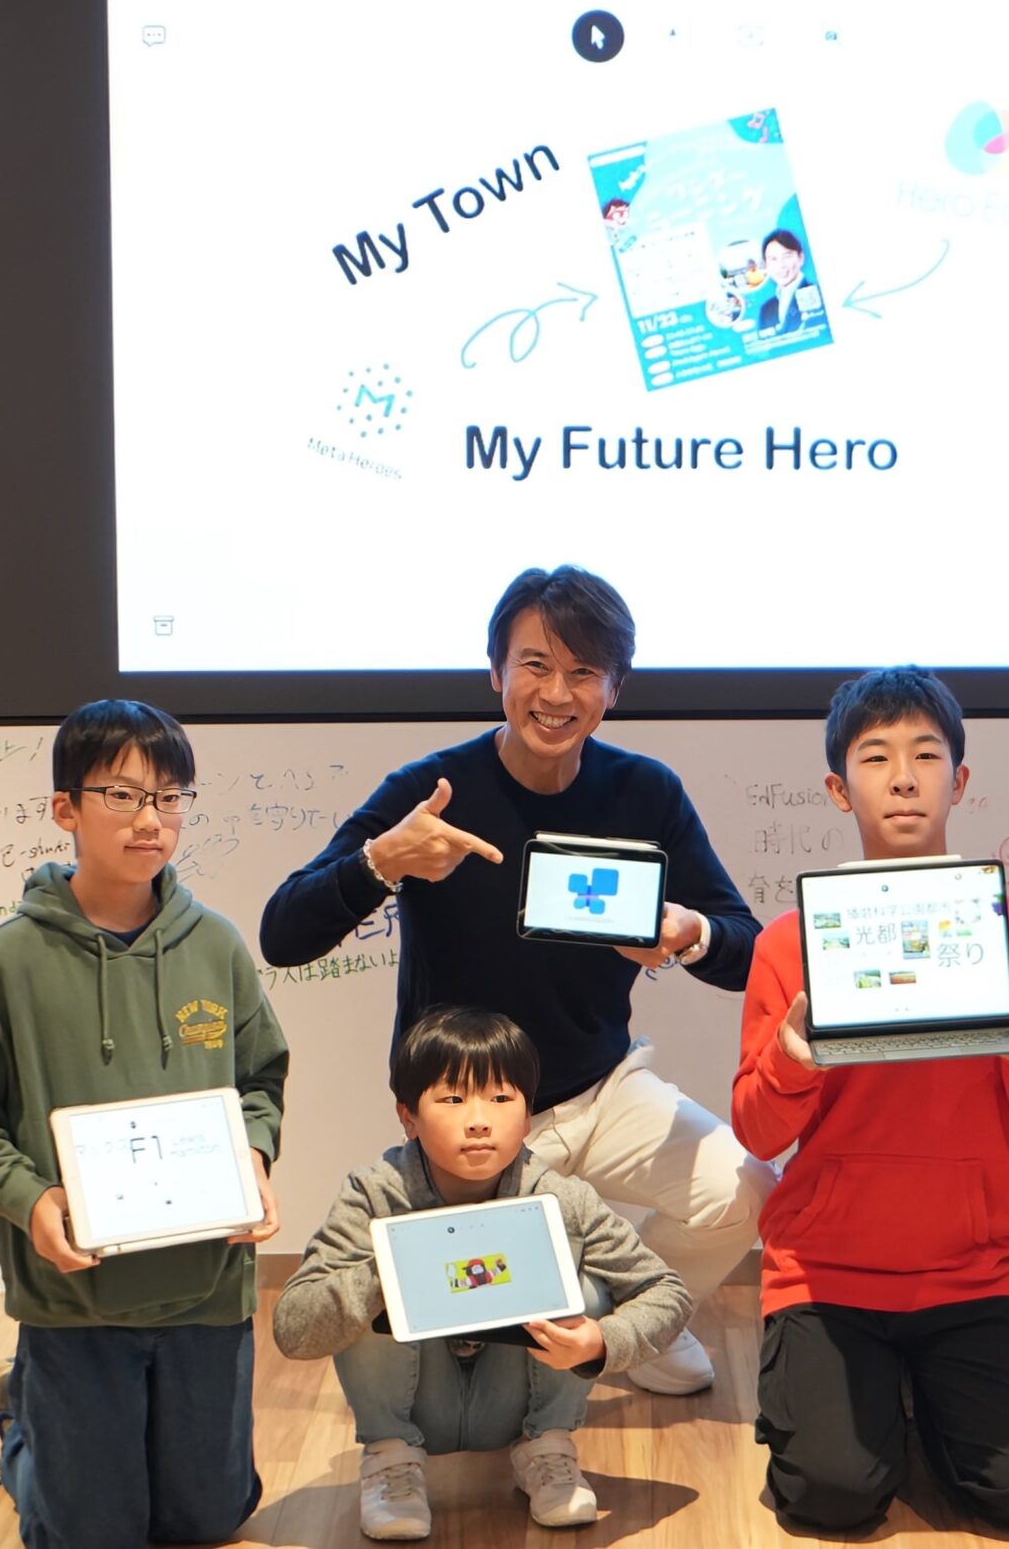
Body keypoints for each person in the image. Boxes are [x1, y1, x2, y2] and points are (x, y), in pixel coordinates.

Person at [261, 565, 771, 1396]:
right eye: (534, 664)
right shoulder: (432, 791)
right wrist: (381, 861)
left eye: (583, 671)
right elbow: (282, 932)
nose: (556, 693)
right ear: (495, 671)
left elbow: (746, 944)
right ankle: (567, 1318)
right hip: (470, 1113)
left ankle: (631, 1320)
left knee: (744, 1187)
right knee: (472, 1378)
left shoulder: (645, 791)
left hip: (602, 1088)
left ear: (614, 688)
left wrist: (690, 932)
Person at [0, 699, 289, 1549]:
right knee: (88, 1535)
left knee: (208, 1517)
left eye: (170, 796)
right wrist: (30, 1199)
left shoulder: (216, 946)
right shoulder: (12, 957)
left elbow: (259, 1081)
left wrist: (254, 1153)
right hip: (73, 1295)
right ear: (66, 808)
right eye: (122, 795)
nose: (150, 819)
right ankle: (26, 1420)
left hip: (206, 1286)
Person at [733, 667, 1009, 1534]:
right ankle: (884, 1404)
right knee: (833, 1494)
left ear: (958, 781)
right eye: (876, 757)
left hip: (972, 1270)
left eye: (926, 756)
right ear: (837, 787)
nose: (902, 777)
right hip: (825, 1274)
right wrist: (792, 1062)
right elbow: (757, 1127)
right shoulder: (789, 942)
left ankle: (928, 1402)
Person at [274, 1008, 693, 1540]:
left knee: (586, 1290)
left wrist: (602, 1343)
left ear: (527, 1114)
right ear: (408, 1116)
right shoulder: (374, 1194)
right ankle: (391, 1461)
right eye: (453, 1099)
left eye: (500, 1099)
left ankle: (547, 1450)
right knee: (362, 1288)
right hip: (415, 1403)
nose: (478, 1120)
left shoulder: (559, 1197)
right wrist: (391, 1270)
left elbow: (667, 1292)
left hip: (517, 1400)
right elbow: (294, 1327)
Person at [754, 227, 821, 336]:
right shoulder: (766, 309)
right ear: (765, 265)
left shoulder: (817, 294)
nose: (781, 265)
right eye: (773, 259)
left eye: (787, 256)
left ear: (800, 258)